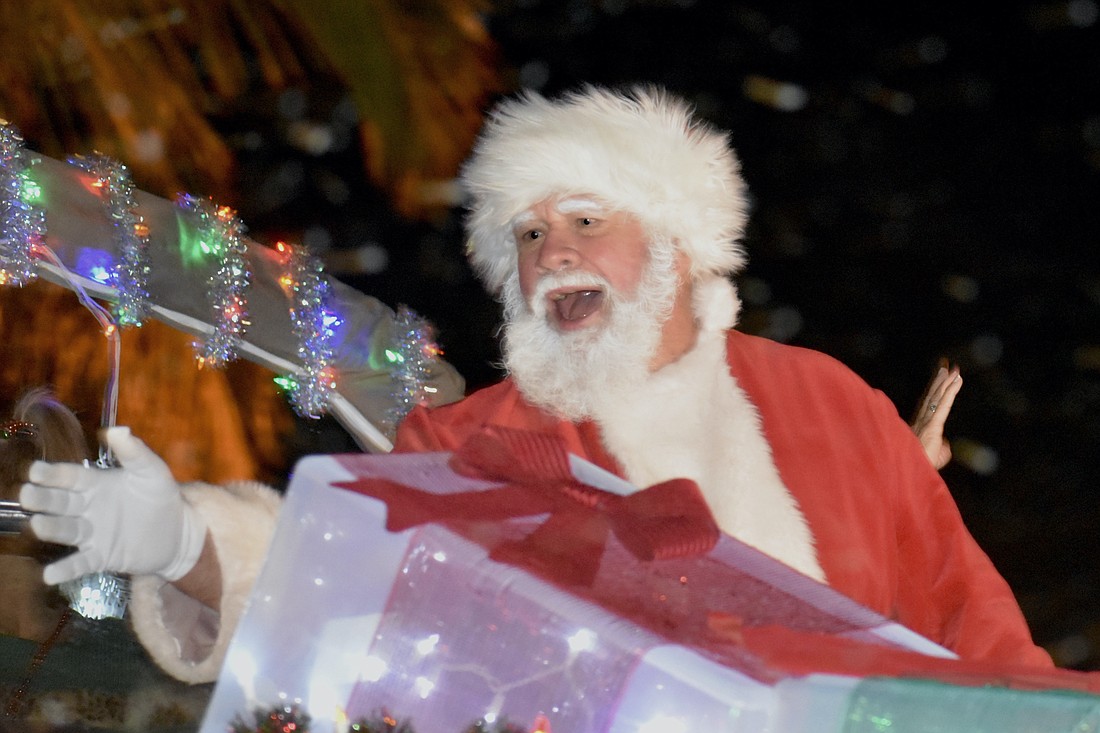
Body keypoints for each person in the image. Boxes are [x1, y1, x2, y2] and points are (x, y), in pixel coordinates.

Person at [20, 84, 1051, 685]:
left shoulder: (830, 407)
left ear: (681, 246)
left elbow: (982, 643)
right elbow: (342, 593)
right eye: (526, 233)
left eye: (587, 220)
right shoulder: (472, 441)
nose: (551, 250)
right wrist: (184, 543)